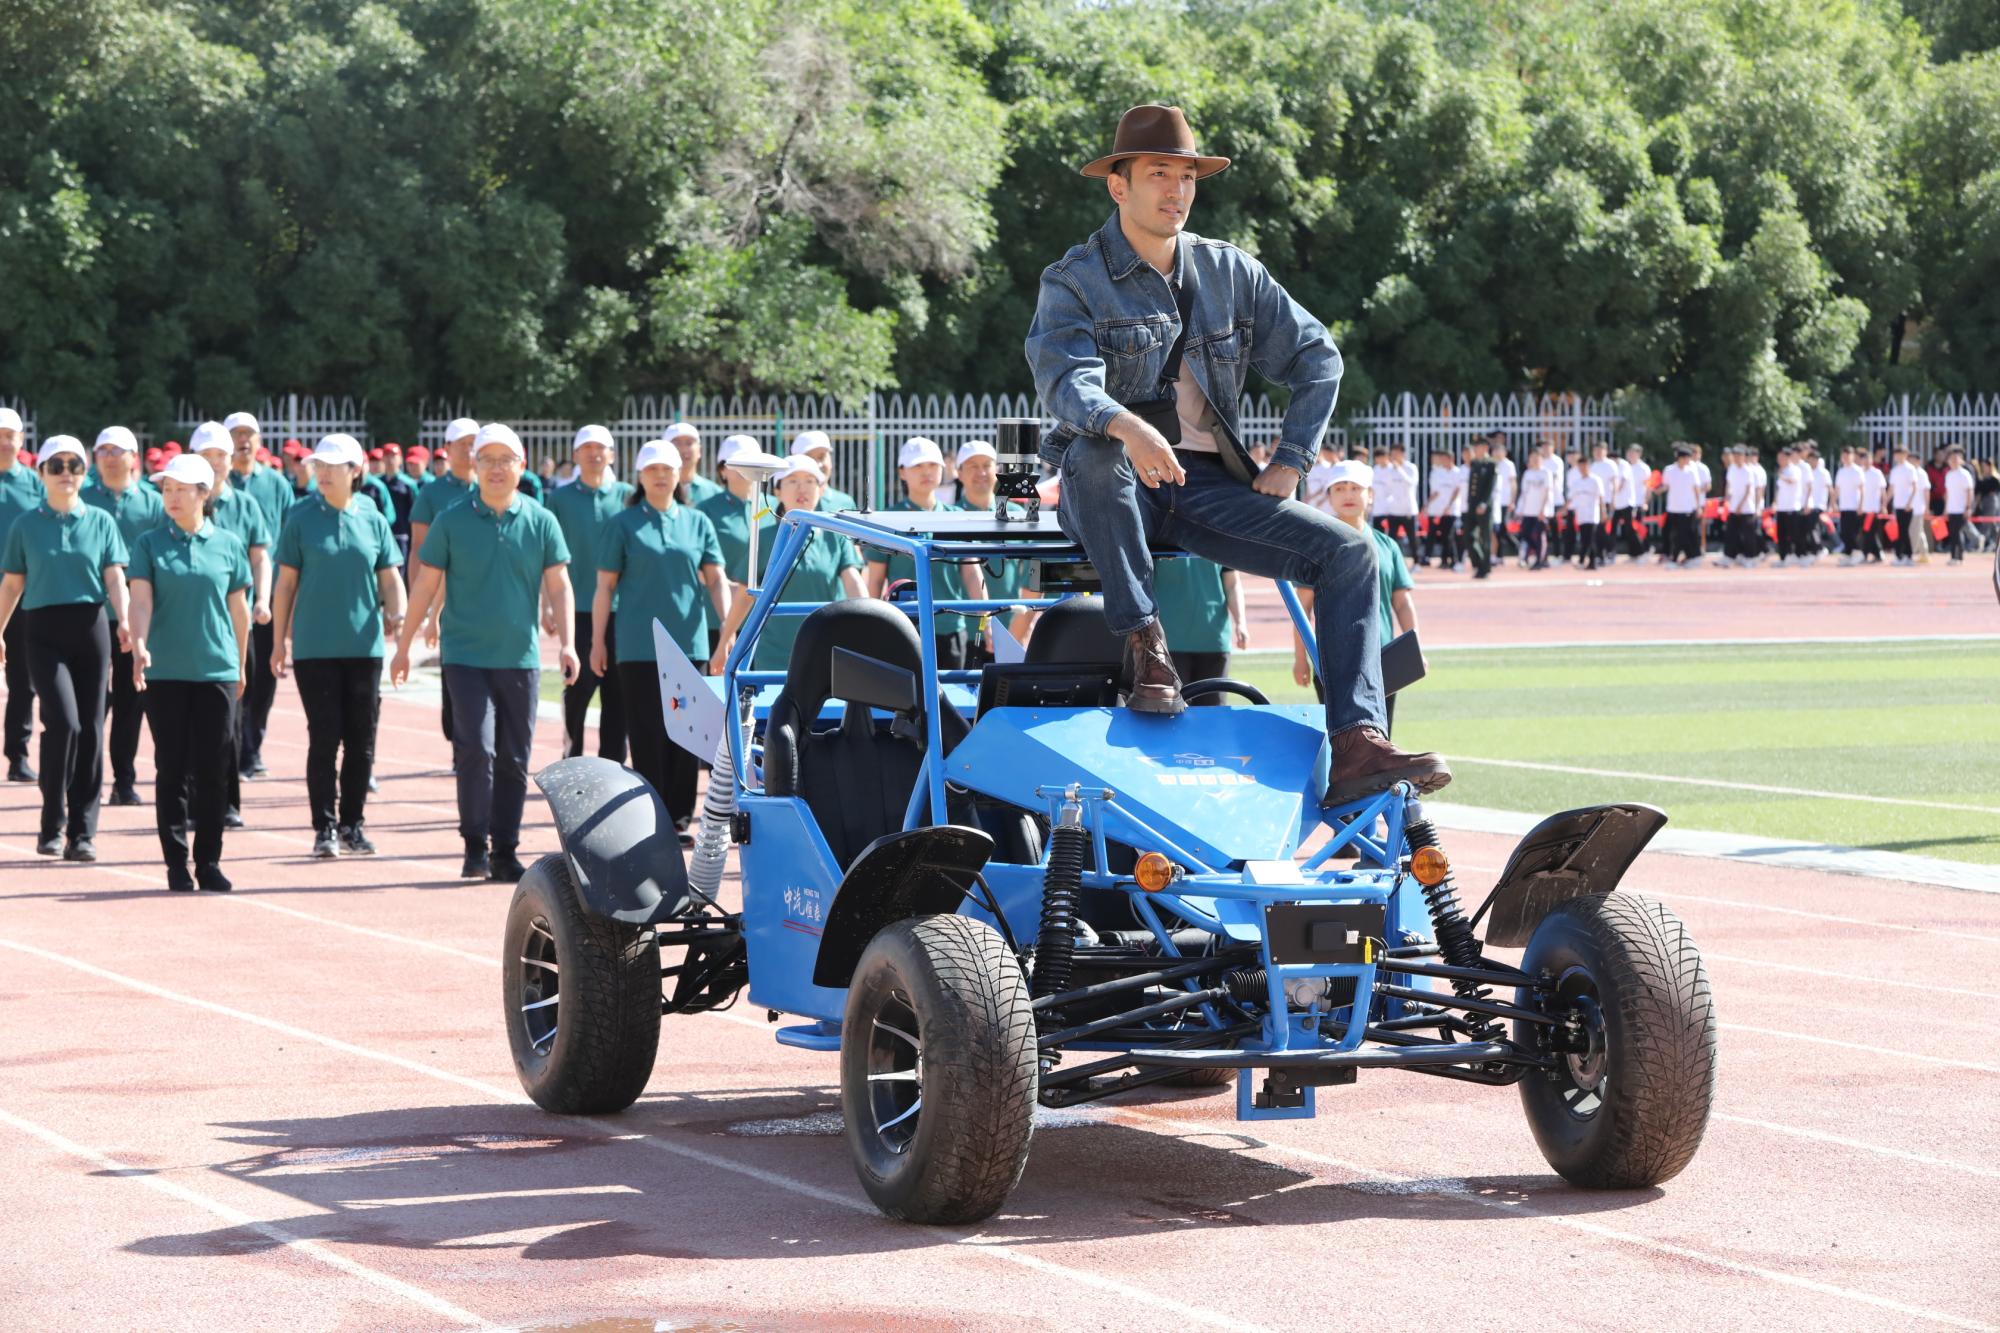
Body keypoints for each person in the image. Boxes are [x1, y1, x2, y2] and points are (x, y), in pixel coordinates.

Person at [1024, 103, 1447, 799]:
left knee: (1351, 552)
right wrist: (1127, 427)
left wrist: (1292, 458)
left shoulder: (1229, 271)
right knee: (1097, 456)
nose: (1177, 190)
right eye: (1159, 174)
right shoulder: (1072, 279)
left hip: (1201, 486)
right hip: (1106, 483)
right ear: (1118, 185)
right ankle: (1147, 647)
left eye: (1188, 177)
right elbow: (1066, 382)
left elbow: (1319, 357)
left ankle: (1357, 745)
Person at [392, 423, 578, 883]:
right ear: (474, 465)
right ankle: (474, 844)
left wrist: (569, 643)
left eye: (505, 460)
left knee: (515, 757)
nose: (496, 468)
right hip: (465, 656)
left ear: (521, 466)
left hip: (520, 658)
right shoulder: (451, 519)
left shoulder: (541, 520)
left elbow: (559, 584)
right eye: (487, 460)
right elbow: (426, 585)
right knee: (475, 747)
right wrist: (403, 646)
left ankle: (505, 850)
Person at [271, 435, 406, 858]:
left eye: (333, 466)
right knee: (324, 738)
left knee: (362, 741)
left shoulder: (373, 517)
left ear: (355, 471)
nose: (324, 473)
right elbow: (285, 584)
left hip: (364, 648)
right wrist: (277, 642)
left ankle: (352, 825)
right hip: (314, 648)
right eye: (320, 465)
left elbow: (390, 578)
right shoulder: (300, 517)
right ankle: (324, 827)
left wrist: (399, 618)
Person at [0, 436, 130, 860]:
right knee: (65, 724)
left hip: (92, 628)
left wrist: (126, 619)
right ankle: (51, 824)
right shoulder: (25, 525)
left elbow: (114, 577)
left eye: (74, 465)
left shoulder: (100, 521)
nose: (66, 473)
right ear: (41, 473)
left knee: (91, 729)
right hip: (42, 631)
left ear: (84, 471)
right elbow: (12, 584)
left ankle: (83, 832)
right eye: (56, 465)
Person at [127, 453, 251, 892]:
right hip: (166, 673)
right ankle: (177, 864)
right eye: (167, 489)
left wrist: (240, 663)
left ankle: (209, 862)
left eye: (181, 489)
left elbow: (239, 610)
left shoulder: (229, 545)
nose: (172, 497)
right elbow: (140, 600)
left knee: (214, 769)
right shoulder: (149, 544)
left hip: (216, 670)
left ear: (204, 493)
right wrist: (139, 643)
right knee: (172, 768)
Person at [592, 439, 727, 831]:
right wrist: (597, 641)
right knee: (647, 730)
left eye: (667, 469)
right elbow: (605, 587)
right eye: (652, 469)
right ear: (640, 475)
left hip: (689, 644)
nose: (661, 476)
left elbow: (715, 579)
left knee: (687, 733)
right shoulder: (622, 524)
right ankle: (652, 816)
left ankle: (680, 819)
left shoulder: (697, 522)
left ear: (678, 474)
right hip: (638, 645)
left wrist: (727, 629)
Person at [1291, 461, 1420, 735]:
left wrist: (1415, 649)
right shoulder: (1316, 547)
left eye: (1355, 488)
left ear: (1370, 494)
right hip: (1331, 660)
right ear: (1329, 496)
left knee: (1382, 736)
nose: (1348, 495)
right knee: (1339, 739)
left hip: (1383, 658)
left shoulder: (1387, 546)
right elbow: (1302, 609)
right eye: (1339, 488)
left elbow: (1401, 603)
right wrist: (1300, 658)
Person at [712, 456, 867, 675]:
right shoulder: (764, 538)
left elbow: (853, 582)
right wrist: (725, 642)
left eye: (810, 481)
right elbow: (745, 595)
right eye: (792, 481)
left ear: (821, 490)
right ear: (777, 491)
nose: (802, 488)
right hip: (774, 656)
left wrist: (869, 622)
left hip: (825, 650)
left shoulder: (836, 536)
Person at [191, 422, 271, 827]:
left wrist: (262, 599)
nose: (214, 463)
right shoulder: (177, 502)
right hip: (190, 622)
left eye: (220, 456)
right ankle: (191, 801)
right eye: (205, 456)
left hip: (234, 623)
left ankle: (227, 802)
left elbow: (260, 556)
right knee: (189, 717)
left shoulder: (246, 505)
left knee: (232, 714)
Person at [82, 425, 164, 806]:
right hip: (91, 613)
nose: (111, 458)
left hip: (139, 614)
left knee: (132, 699)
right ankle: (84, 780)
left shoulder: (153, 503)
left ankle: (124, 781)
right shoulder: (82, 499)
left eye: (119, 451)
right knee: (91, 699)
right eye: (104, 451)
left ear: (134, 457)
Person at [545, 424, 633, 762]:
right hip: (577, 608)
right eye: (587, 448)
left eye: (601, 448)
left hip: (622, 610)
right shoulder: (560, 498)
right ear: (576, 454)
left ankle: (614, 764)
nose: (594, 454)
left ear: (612, 455)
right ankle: (572, 758)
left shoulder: (627, 495)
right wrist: (547, 604)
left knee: (619, 693)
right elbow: (548, 557)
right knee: (577, 687)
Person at [863, 437, 989, 669]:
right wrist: (873, 627)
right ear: (902, 472)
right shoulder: (887, 519)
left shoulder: (957, 517)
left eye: (932, 465)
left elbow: (972, 572)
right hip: (903, 627)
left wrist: (986, 619)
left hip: (950, 628)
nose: (926, 471)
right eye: (918, 465)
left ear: (942, 469)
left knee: (951, 692)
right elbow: (876, 580)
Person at [222, 413, 292, 781]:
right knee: (236, 672)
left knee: (264, 673)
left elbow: (289, 535)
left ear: (260, 441)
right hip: (226, 598)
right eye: (236, 434)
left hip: (268, 596)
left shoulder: (277, 484)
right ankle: (234, 746)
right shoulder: (216, 485)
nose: (243, 440)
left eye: (249, 434)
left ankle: (253, 746)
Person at [409, 417, 480, 744]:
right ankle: (461, 746)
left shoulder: (492, 487)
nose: (469, 450)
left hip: (487, 595)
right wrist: (421, 605)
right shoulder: (432, 493)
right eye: (462, 444)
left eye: (473, 444)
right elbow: (419, 549)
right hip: (447, 601)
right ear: (448, 449)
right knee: (456, 675)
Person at [953, 439, 1038, 661]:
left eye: (987, 465)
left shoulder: (1017, 514)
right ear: (959, 473)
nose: (981, 472)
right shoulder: (950, 516)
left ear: (998, 470)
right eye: (973, 466)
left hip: (1011, 631)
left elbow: (1035, 573)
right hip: (961, 634)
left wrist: (1020, 628)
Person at [0, 407, 43, 783]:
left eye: (9, 436)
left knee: (22, 679)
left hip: (19, 594)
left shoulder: (34, 484)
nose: (4, 442)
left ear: (21, 440)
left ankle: (18, 754)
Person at [696, 434, 762, 658]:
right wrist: (730, 587)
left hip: (762, 618)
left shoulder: (773, 507)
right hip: (717, 617)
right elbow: (696, 564)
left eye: (751, 462)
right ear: (722, 471)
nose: (745, 468)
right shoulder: (706, 510)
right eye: (736, 463)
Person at [1154, 557, 1248, 701]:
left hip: (1213, 640)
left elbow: (1232, 584)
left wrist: (1241, 623)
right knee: (1171, 710)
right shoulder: (1157, 541)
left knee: (1212, 713)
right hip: (1167, 643)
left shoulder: (1223, 543)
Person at [786, 432, 859, 512]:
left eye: (822, 457)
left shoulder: (845, 503)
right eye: (810, 459)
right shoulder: (779, 503)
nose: (818, 464)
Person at [1373, 442, 1419, 556]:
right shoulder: (1390, 470)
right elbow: (1386, 488)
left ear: (1402, 453)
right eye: (1392, 454)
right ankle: (1391, 559)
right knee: (1392, 538)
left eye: (1396, 453)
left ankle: (1417, 560)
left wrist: (1399, 469)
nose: (1393, 456)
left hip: (1408, 509)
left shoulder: (1411, 468)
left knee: (1412, 537)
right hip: (1393, 510)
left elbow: (1411, 483)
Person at [1659, 445, 1703, 565]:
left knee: (1684, 534)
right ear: (1680, 458)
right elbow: (1666, 486)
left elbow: (1696, 489)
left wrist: (1698, 506)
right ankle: (1676, 557)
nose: (1688, 460)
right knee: (1672, 534)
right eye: (1686, 458)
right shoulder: (1669, 470)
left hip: (1687, 508)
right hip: (1673, 508)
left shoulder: (1692, 471)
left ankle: (1679, 558)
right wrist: (1657, 490)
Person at [1420, 447, 1460, 569]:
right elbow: (1435, 492)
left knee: (1448, 535)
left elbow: (1457, 490)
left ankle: (1453, 560)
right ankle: (1439, 559)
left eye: (1444, 459)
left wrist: (1449, 505)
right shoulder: (1437, 472)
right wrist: (1427, 504)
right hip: (1436, 509)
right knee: (1436, 534)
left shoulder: (1457, 472)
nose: (1442, 461)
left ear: (1451, 459)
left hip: (1451, 510)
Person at [1462, 435, 1496, 579]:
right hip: (1472, 506)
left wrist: (1483, 503)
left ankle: (1485, 568)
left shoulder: (1491, 464)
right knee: (1468, 537)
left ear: (1485, 448)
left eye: (1478, 447)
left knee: (1485, 538)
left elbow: (1490, 486)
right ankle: (1478, 563)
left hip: (1484, 506)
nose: (1475, 450)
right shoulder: (1474, 463)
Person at [1515, 440, 1552, 570]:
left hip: (1540, 511)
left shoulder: (1546, 473)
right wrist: (1519, 509)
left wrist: (1543, 509)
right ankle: (1540, 555)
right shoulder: (1527, 474)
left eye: (1537, 458)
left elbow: (1547, 492)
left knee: (1539, 535)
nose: (1535, 460)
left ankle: (1539, 561)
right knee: (1526, 534)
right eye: (1532, 458)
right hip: (1528, 510)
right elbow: (1524, 493)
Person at [666, 422, 722, 508]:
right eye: (677, 444)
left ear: (700, 451)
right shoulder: (654, 492)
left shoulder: (715, 493)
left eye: (689, 443)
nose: (683, 450)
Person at [380, 442, 418, 560]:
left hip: (402, 536)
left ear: (400, 459)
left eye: (393, 456)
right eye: (387, 456)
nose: (390, 460)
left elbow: (416, 512)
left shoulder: (408, 484)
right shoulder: (378, 484)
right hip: (381, 535)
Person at [1888, 445, 1923, 566]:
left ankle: (1907, 555)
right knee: (1899, 531)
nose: (1898, 457)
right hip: (1898, 504)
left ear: (1905, 455)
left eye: (1900, 454)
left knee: (1904, 531)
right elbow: (1891, 489)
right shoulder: (1894, 470)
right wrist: (1885, 502)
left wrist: (1909, 502)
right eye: (1896, 454)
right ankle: (1900, 555)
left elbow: (1915, 487)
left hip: (1907, 506)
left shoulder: (1910, 469)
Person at [1941, 446, 1975, 563]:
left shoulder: (1965, 474)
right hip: (1952, 509)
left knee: (1957, 532)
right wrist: (1946, 509)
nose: (1953, 461)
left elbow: (1969, 491)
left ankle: (1957, 556)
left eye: (1956, 459)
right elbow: (1948, 493)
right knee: (1953, 533)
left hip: (1961, 509)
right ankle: (1955, 556)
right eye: (1951, 459)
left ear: (1961, 460)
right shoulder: (1949, 475)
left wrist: (1968, 507)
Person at [1621, 444, 1651, 559]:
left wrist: (1645, 502)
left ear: (1639, 454)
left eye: (1633, 452)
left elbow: (1649, 487)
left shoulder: (1643, 468)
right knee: (1629, 528)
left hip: (1639, 502)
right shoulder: (1626, 466)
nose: (1630, 455)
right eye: (1629, 452)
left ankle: (1645, 549)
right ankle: (1633, 552)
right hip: (1628, 502)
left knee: (1639, 527)